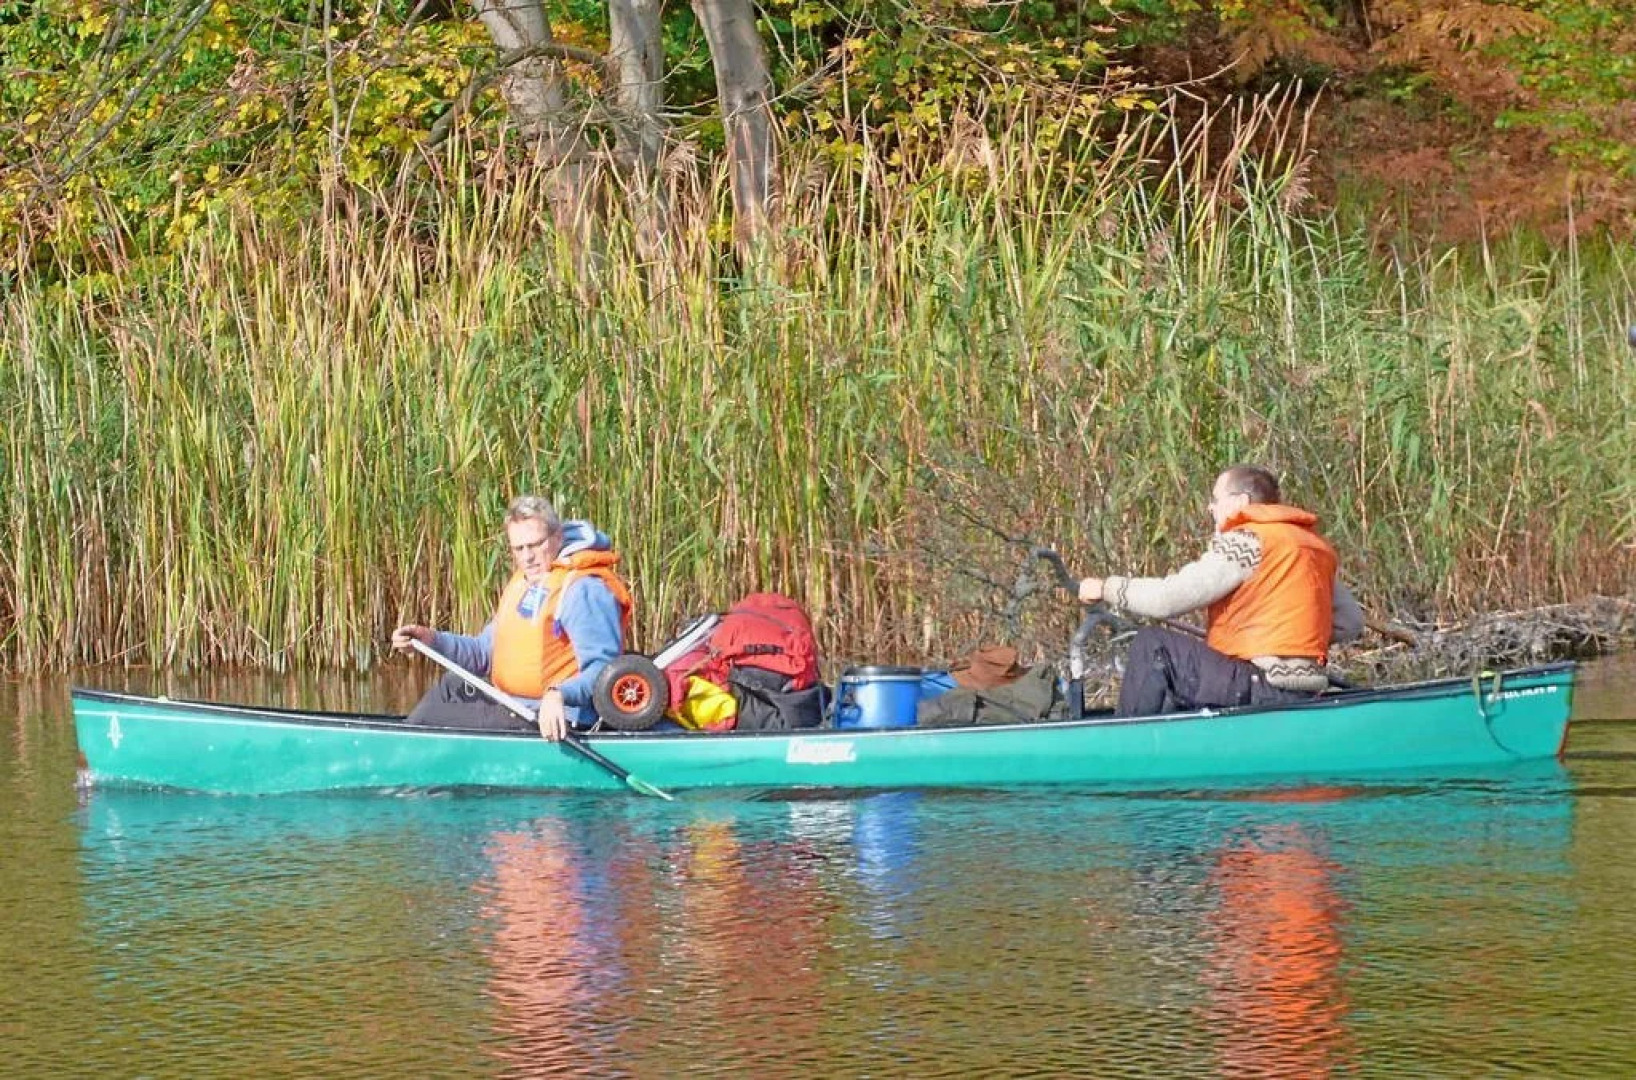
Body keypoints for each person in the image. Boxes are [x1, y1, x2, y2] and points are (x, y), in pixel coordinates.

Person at [1077, 464, 1363, 717]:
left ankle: (1124, 745)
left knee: (1154, 645)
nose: (1210, 508)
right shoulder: (1311, 547)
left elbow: (1168, 599)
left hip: (1259, 685)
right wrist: (1289, 636)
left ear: (1240, 501)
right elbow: (1351, 623)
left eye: (1215, 500)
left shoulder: (1247, 540)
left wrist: (1106, 587)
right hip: (1303, 688)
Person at [391, 496, 632, 740]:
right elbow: (482, 653)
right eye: (519, 548)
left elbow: (604, 672)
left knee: (443, 704)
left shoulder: (583, 590)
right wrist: (431, 640)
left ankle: (398, 751)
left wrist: (558, 693)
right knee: (452, 686)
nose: (528, 557)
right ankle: (403, 745)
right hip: (517, 707)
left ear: (557, 537)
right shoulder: (525, 584)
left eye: (536, 545)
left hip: (559, 719)